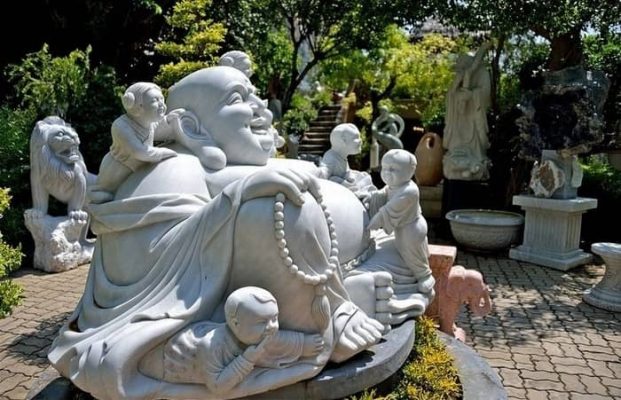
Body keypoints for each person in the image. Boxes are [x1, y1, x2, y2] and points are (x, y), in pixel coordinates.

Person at [48, 66, 431, 400]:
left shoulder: (216, 165)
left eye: (257, 97)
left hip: (338, 261)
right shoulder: (171, 167)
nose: (262, 109)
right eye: (239, 99)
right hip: (211, 309)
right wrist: (242, 194)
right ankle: (324, 319)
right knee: (278, 203)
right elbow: (152, 258)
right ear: (192, 128)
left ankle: (339, 299)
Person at [144, 287, 324, 395]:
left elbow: (276, 341)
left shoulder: (253, 333)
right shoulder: (211, 346)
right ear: (235, 324)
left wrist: (303, 344)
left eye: (275, 318)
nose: (272, 326)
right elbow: (217, 386)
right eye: (262, 322)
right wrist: (247, 360)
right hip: (176, 361)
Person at [89, 82, 179, 203]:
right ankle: (91, 195)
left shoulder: (149, 122)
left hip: (136, 170)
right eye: (155, 101)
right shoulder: (121, 126)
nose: (161, 104)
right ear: (138, 107)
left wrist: (174, 120)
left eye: (162, 99)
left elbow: (162, 127)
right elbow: (140, 152)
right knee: (105, 195)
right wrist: (165, 152)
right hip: (117, 169)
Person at [366, 149, 435, 294]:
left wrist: (372, 224)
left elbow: (389, 210)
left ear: (409, 172)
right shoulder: (395, 185)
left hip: (412, 228)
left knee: (411, 251)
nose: (386, 173)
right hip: (402, 227)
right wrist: (371, 198)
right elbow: (384, 194)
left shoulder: (410, 191)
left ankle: (424, 275)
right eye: (384, 168)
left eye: (393, 169)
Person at [442, 42, 492, 180]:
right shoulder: (459, 75)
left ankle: (475, 164)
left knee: (476, 144)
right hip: (458, 119)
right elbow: (450, 96)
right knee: (455, 147)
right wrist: (456, 91)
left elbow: (486, 95)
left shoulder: (482, 73)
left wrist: (473, 95)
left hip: (473, 118)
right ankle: (459, 164)